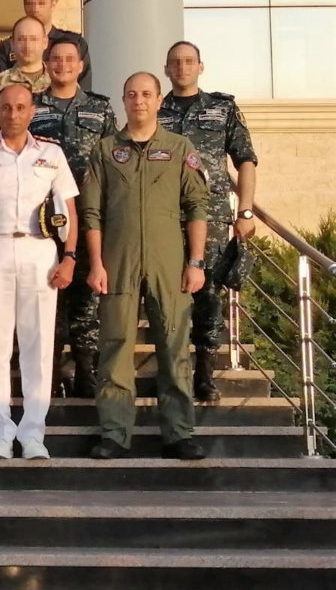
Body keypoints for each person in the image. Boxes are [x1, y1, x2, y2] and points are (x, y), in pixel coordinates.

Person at [81, 72, 209, 461]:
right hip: (118, 261)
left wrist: (196, 262)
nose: (139, 101)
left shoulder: (179, 147)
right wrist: (96, 264)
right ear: (123, 100)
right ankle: (114, 433)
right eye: (132, 94)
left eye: (147, 94)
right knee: (116, 346)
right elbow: (91, 213)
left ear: (158, 101)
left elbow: (197, 207)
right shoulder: (105, 150)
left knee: (173, 345)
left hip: (168, 262)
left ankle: (179, 433)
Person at [0, 84, 79, 460]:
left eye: (21, 107)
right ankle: (1, 431)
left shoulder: (51, 153)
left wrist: (69, 257)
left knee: (38, 345)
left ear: (32, 111)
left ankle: (34, 432)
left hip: (39, 252)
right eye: (6, 107)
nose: (13, 114)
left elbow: (70, 209)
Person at [158, 40, 258, 402]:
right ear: (166, 69)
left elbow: (245, 160)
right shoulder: (156, 109)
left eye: (189, 61)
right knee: (168, 295)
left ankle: (204, 373)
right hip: (166, 216)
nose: (182, 67)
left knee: (209, 297)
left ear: (200, 67)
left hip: (213, 215)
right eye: (175, 62)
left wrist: (245, 210)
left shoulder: (222, 108)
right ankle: (172, 371)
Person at [29, 37, 117, 398]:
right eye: (56, 59)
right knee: (47, 296)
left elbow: (114, 159)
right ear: (47, 64)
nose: (63, 65)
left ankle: (85, 370)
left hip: (89, 213)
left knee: (86, 297)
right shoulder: (32, 106)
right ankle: (48, 373)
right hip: (42, 217)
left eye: (70, 59)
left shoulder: (100, 108)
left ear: (81, 66)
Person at [0, 0, 92, 88]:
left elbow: (84, 89)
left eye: (41, 3)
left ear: (53, 4)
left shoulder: (74, 43)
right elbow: (0, 89)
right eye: (30, 3)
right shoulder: (8, 47)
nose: (35, 9)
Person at [0, 16, 51, 104]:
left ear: (45, 42)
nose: (27, 46)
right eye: (21, 39)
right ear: (12, 43)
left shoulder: (57, 80)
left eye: (33, 39)